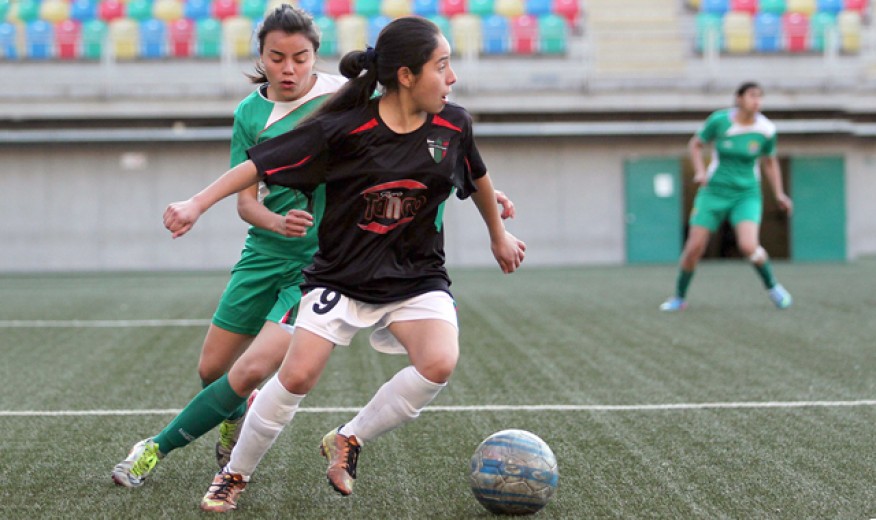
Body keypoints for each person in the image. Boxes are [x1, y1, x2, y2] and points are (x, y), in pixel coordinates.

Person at [111, 6, 516, 490]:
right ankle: (232, 422)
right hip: (263, 253)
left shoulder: (345, 100)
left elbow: (422, 156)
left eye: (299, 58)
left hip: (316, 264)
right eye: (277, 58)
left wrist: (473, 194)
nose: (288, 69)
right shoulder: (252, 113)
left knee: (253, 370)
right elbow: (249, 197)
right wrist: (236, 212)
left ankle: (155, 450)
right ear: (259, 57)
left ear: (315, 58)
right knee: (213, 369)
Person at [659, 81, 793, 312]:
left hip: (746, 194)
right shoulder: (719, 121)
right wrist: (700, 171)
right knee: (694, 248)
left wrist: (779, 193)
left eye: (760, 97)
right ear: (739, 98)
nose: (757, 101)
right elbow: (696, 144)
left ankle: (773, 287)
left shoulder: (766, 130)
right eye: (752, 95)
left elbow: (770, 162)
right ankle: (679, 298)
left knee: (749, 246)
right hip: (713, 192)